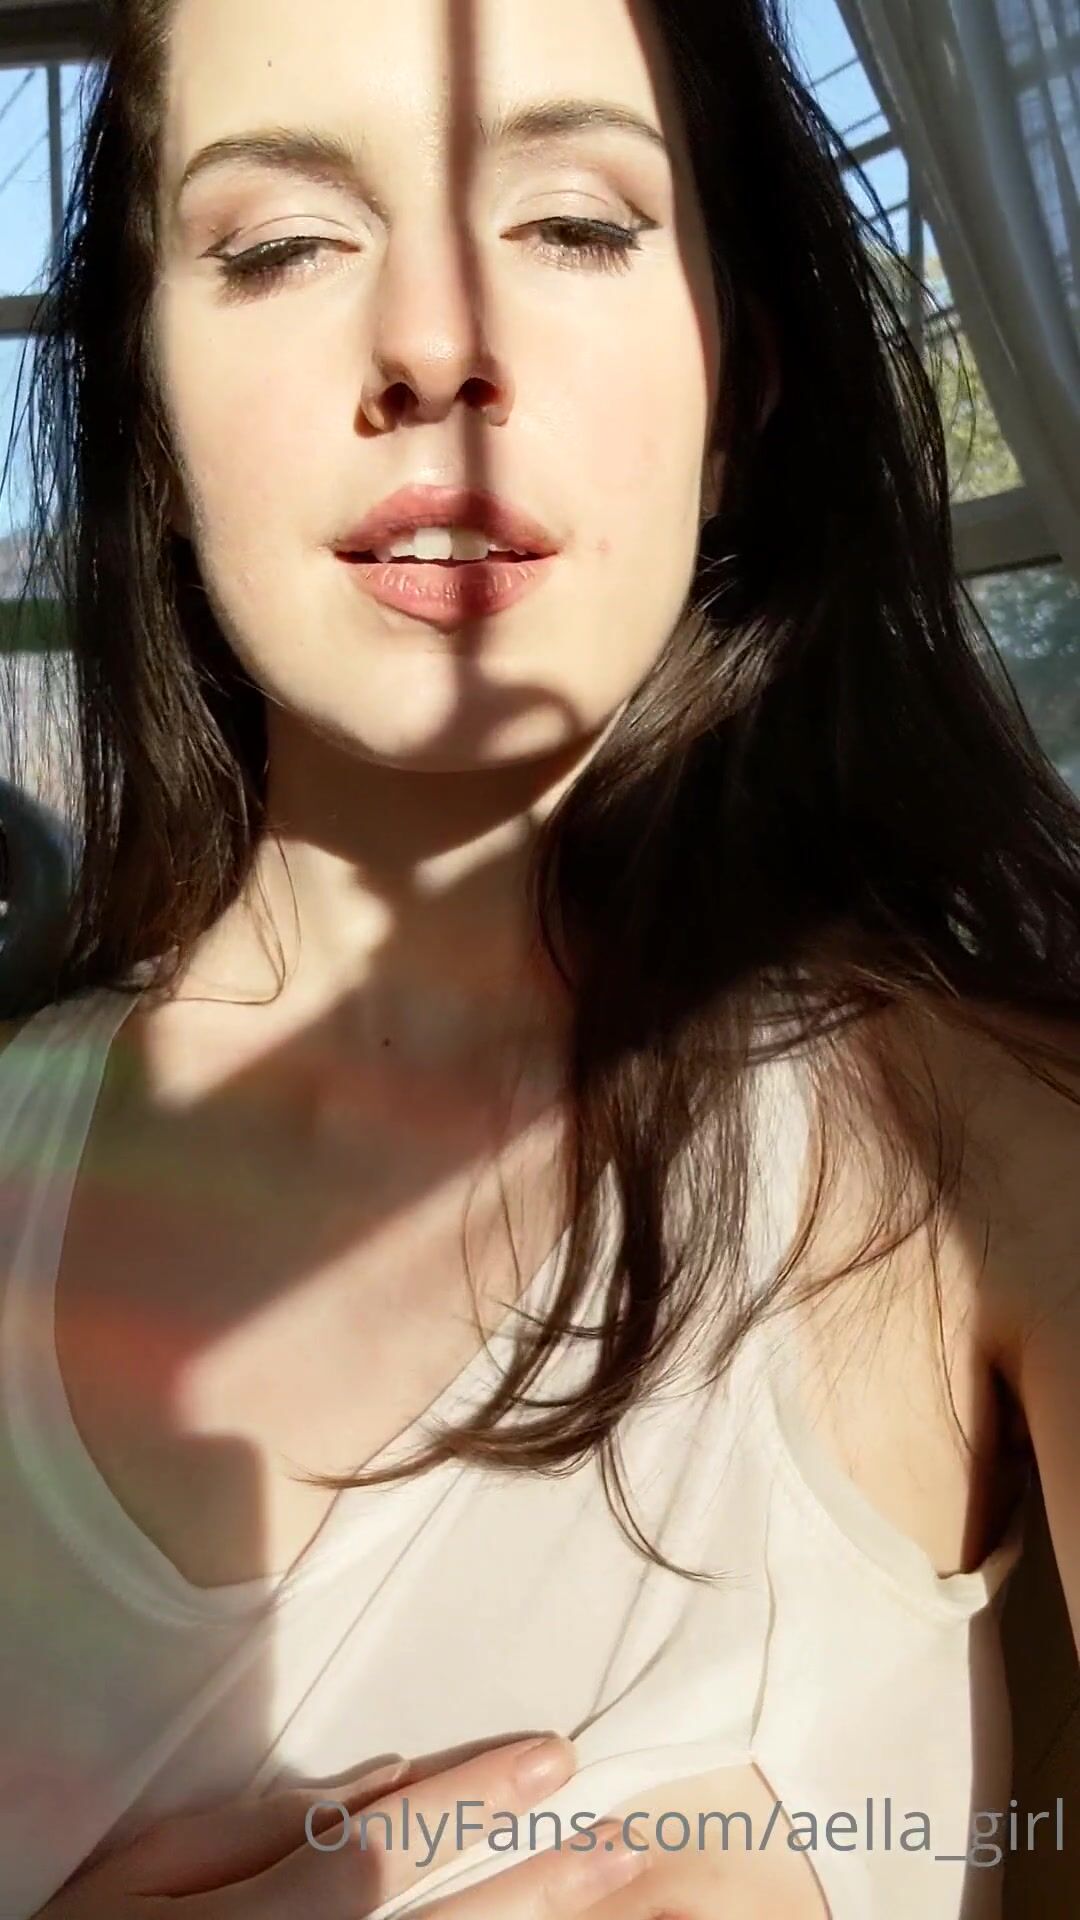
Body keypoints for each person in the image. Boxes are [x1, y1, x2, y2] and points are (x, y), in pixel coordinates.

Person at [1, 0, 1078, 1915]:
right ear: (151, 420)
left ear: (741, 383)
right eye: (282, 244)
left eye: (579, 223)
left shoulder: (991, 1164)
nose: (436, 344)